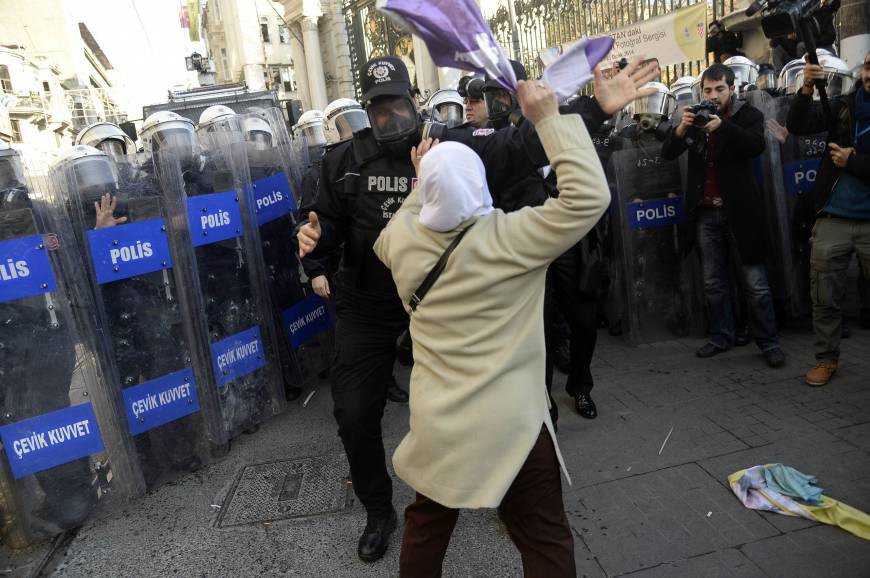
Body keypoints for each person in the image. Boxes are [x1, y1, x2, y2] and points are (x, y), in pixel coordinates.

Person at [296, 56, 547, 563]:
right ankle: (378, 510)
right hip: (367, 304)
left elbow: (518, 149)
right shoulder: (343, 159)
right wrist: (313, 238)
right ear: (367, 112)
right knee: (354, 412)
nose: (390, 118)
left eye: (397, 105)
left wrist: (578, 112)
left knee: (496, 397)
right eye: (379, 110)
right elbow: (326, 221)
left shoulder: (451, 145)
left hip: (441, 304)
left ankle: (509, 491)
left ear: (414, 101)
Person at [373, 79, 610, 578]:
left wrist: (424, 179)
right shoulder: (509, 239)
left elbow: (408, 219)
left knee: (426, 527)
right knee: (544, 537)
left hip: (440, 423)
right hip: (513, 426)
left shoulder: (400, 243)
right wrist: (549, 120)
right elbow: (588, 198)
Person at [662, 64, 786, 367]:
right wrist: (681, 129)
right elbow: (667, 153)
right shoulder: (696, 118)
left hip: (741, 213)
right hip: (706, 214)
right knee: (713, 283)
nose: (713, 95)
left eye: (719, 89)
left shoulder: (748, 115)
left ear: (732, 89)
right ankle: (721, 337)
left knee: (755, 284)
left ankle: (769, 342)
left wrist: (723, 127)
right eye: (707, 90)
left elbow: (756, 145)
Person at [786, 53, 870, 386]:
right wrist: (807, 87)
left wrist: (854, 161)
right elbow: (798, 125)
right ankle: (826, 359)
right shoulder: (844, 107)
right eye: (868, 66)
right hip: (833, 218)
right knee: (823, 296)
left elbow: (856, 162)